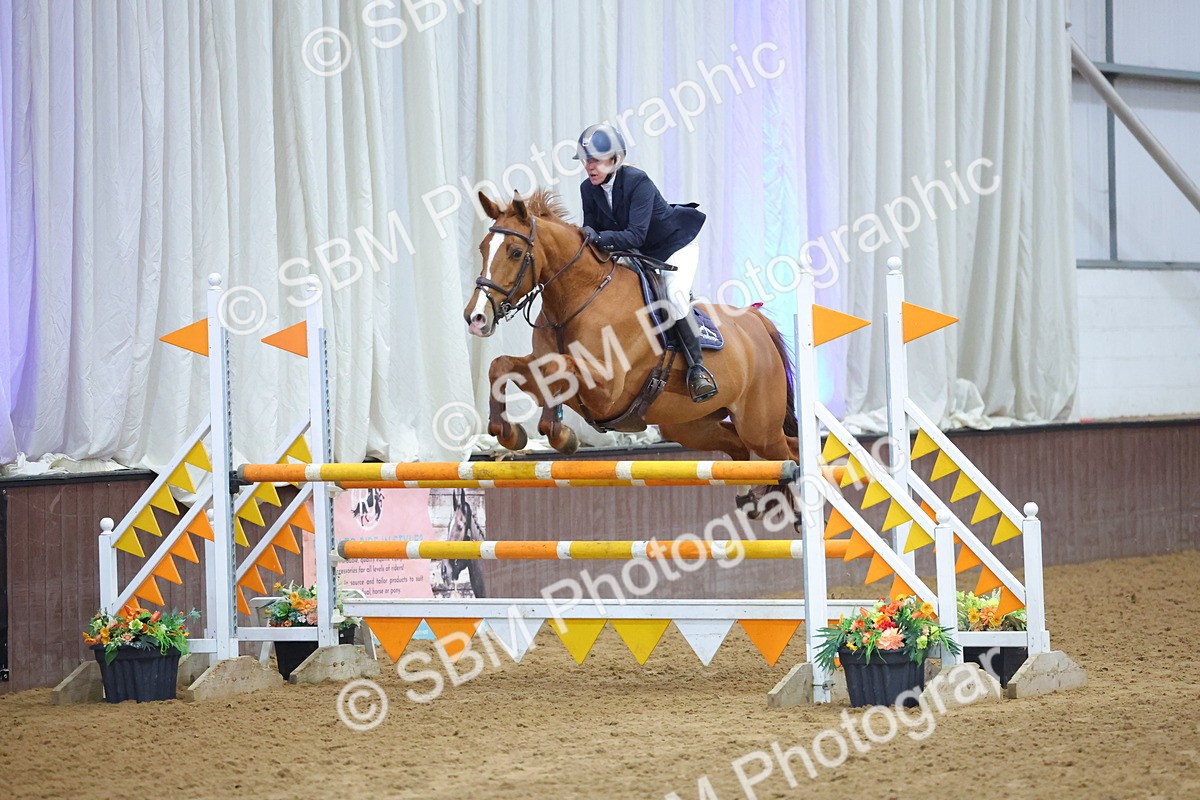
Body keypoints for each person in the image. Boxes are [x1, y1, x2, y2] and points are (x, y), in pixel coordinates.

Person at [574, 122, 718, 403]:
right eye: (585, 160)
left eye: (595, 159)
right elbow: (590, 231)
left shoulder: (638, 182)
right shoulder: (587, 189)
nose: (589, 166)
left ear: (615, 159)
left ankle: (698, 369)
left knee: (674, 296)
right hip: (637, 253)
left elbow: (634, 234)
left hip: (673, 248)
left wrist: (598, 236)